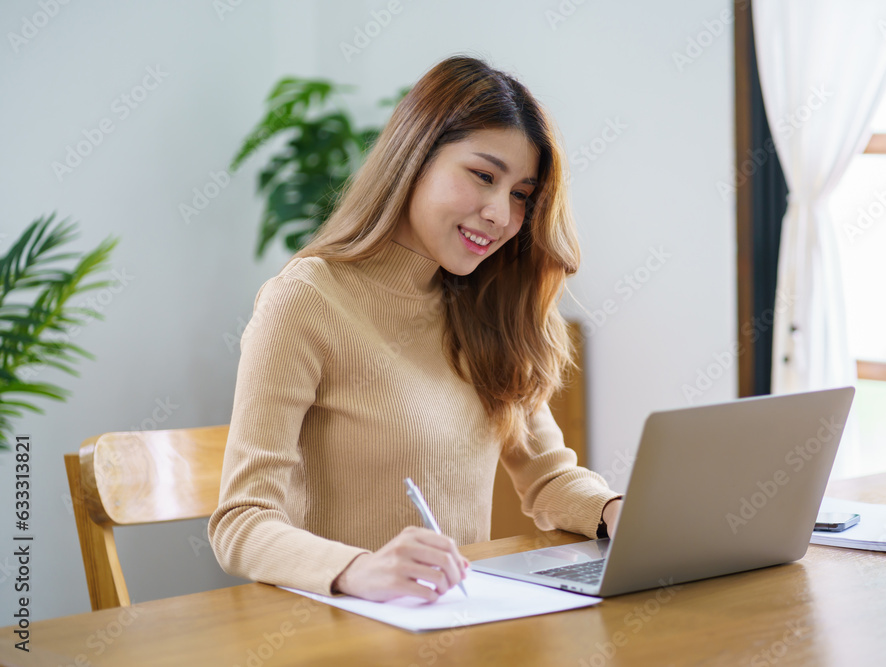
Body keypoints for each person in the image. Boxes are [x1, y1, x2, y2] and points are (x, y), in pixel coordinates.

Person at [208, 54, 623, 604]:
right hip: (339, 631)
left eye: (521, 194)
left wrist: (618, 512)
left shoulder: (488, 309)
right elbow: (242, 522)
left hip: (453, 627)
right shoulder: (306, 299)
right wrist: (360, 569)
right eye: (483, 176)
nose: (501, 214)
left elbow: (549, 480)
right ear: (415, 158)